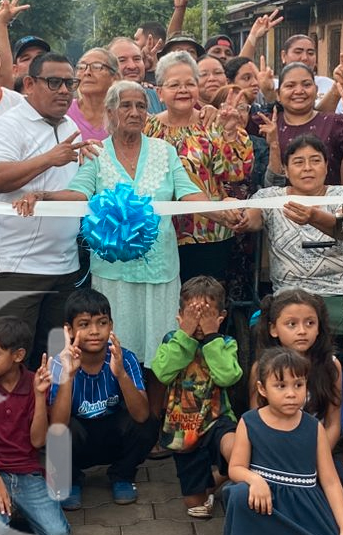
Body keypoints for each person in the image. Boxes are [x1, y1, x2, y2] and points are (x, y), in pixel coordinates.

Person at [25, 81, 209, 367]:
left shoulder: (165, 151)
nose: (134, 112)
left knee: (161, 351)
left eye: (141, 106)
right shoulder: (97, 153)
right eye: (126, 105)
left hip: (160, 270)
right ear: (110, 112)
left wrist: (224, 212)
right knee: (114, 350)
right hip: (113, 273)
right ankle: (118, 405)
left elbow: (188, 192)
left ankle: (152, 409)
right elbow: (78, 193)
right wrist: (43, 195)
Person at [0, 52, 92, 362]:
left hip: (65, 267)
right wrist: (48, 159)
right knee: (10, 362)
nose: (64, 91)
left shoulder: (72, 126)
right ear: (29, 83)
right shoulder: (6, 127)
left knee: (56, 360)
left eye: (70, 83)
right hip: (18, 269)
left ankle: (49, 412)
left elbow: (77, 189)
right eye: (54, 82)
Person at [222, 347, 343, 535]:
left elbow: (329, 481)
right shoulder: (250, 421)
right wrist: (255, 480)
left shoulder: (313, 427)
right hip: (264, 502)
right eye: (281, 386)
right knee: (239, 494)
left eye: (298, 385)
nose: (291, 394)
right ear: (262, 389)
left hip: (304, 507)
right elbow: (235, 468)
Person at [0, 316, 71, 535]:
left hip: (26, 473)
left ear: (18, 356)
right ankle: (0, 508)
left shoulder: (35, 382)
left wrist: (40, 396)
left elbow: (38, 440)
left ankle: (18, 507)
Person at [146, 51, 254, 282]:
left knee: (204, 305)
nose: (183, 90)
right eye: (174, 84)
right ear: (160, 92)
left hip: (209, 232)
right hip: (158, 233)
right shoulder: (148, 129)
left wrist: (230, 132)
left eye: (190, 84)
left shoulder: (212, 123)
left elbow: (234, 173)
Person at [229, 134, 343, 330]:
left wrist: (313, 216)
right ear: (286, 170)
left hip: (340, 293)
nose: (307, 168)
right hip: (288, 295)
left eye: (315, 161)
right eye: (298, 162)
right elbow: (252, 218)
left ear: (326, 165)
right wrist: (240, 216)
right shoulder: (270, 196)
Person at [48, 288, 156, 509]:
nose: (95, 331)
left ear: (111, 325)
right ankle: (71, 478)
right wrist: (68, 376)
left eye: (102, 322)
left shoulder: (124, 357)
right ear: (69, 330)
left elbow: (142, 415)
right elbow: (56, 424)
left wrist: (121, 375)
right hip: (79, 439)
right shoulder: (59, 363)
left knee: (150, 423)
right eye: (85, 324)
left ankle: (122, 475)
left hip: (112, 435)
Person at [151, 277, 244, 520]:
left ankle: (233, 478)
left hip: (217, 418)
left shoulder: (225, 343)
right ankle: (206, 487)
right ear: (180, 316)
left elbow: (228, 377)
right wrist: (186, 336)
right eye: (193, 315)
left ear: (220, 318)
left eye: (206, 316)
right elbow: (162, 372)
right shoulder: (172, 341)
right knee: (195, 505)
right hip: (183, 426)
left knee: (238, 451)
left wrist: (212, 338)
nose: (199, 324)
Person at [250, 289, 343, 447]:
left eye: (310, 323)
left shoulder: (331, 365)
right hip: (273, 450)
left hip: (317, 450)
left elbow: (333, 424)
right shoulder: (261, 368)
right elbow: (256, 422)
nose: (302, 331)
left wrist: (319, 458)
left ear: (319, 327)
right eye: (291, 324)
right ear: (274, 329)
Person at [264, 62, 343, 188]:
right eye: (290, 86)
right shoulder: (266, 123)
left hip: (326, 205)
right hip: (281, 205)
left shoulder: (335, 123)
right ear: (278, 94)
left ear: (316, 90)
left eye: (306, 84)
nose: (299, 91)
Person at [70, 47, 118, 141]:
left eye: (96, 67)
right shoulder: (63, 113)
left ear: (114, 77)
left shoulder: (125, 113)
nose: (87, 72)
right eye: (81, 67)